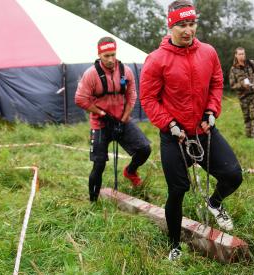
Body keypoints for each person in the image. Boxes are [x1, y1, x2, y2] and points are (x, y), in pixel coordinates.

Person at [140, 1, 242, 261]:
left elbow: (217, 82)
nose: (188, 30)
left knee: (233, 175)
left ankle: (215, 203)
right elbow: (149, 99)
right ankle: (174, 245)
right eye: (182, 25)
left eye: (191, 23)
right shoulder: (156, 60)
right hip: (174, 136)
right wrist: (170, 124)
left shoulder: (208, 52)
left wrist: (212, 110)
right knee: (178, 190)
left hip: (204, 131)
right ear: (170, 25)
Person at [75, 37, 151, 202]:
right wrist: (101, 113)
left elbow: (132, 95)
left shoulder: (126, 71)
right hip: (100, 124)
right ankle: (93, 201)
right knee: (99, 164)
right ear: (99, 54)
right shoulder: (91, 74)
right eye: (106, 55)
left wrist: (124, 119)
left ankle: (130, 171)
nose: (110, 59)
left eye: (113, 55)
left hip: (121, 120)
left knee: (145, 149)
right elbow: (80, 99)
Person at [229, 47, 254, 138]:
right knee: (247, 117)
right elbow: (232, 85)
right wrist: (242, 85)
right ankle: (248, 136)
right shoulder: (233, 69)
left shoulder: (252, 64)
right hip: (243, 96)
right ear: (236, 55)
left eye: (243, 54)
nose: (242, 56)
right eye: (240, 54)